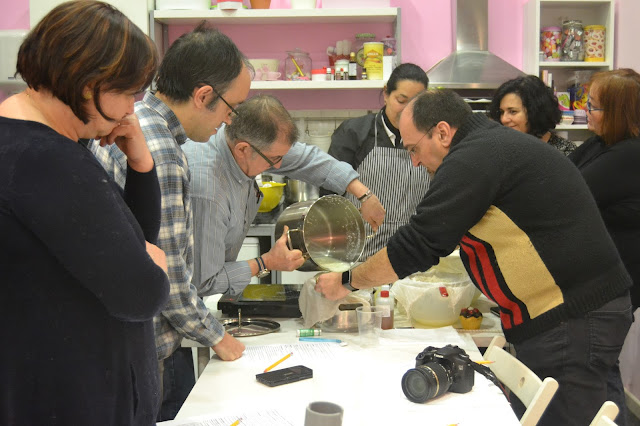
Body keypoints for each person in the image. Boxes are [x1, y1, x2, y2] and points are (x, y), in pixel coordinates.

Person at [315, 89, 633, 426]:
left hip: (571, 316)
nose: (415, 162)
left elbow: (420, 242)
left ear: (441, 132)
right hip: (579, 310)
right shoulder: (488, 146)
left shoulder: (475, 156)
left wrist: (346, 282)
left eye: (413, 149)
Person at [0, 2, 170, 424]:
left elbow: (132, 236)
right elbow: (141, 291)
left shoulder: (39, 145)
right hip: (73, 399)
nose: (133, 108)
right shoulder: (46, 160)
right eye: (130, 93)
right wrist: (154, 265)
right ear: (89, 84)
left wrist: (141, 162)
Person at [89, 23, 251, 420]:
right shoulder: (159, 152)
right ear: (203, 96)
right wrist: (220, 338)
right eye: (232, 109)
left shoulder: (140, 122)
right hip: (151, 350)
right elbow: (169, 280)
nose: (229, 121)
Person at [183, 94, 385, 300]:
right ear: (242, 149)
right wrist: (266, 263)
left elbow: (308, 159)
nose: (280, 166)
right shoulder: (208, 192)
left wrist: (364, 194)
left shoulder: (251, 143)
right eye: (274, 159)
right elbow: (203, 282)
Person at [569, 69, 640, 422]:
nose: (585, 110)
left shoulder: (629, 154)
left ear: (617, 113)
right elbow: (561, 174)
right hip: (599, 282)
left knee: (599, 368)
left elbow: (568, 194)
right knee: (598, 366)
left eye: (594, 106)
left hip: (615, 286)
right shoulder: (600, 144)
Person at [327, 63, 430, 259]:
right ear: (386, 94)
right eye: (401, 100)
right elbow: (330, 191)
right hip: (358, 253)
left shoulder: (430, 140)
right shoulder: (355, 133)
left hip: (410, 254)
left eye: (416, 103)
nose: (408, 110)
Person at [489, 75, 577, 155]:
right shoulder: (500, 150)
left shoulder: (566, 153)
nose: (504, 119)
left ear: (535, 112)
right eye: (501, 112)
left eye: (512, 112)